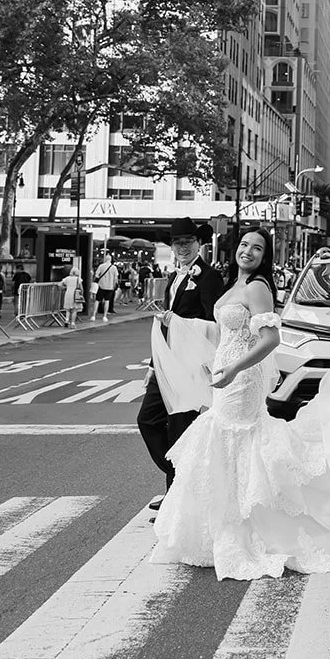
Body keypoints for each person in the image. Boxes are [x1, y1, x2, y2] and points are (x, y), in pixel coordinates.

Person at [152, 227, 330, 579]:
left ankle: (246, 525)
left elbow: (270, 339)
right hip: (225, 374)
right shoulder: (233, 285)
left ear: (265, 257)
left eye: (257, 248)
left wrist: (235, 368)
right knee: (228, 442)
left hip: (241, 379)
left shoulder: (257, 287)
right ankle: (226, 521)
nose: (248, 251)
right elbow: (224, 333)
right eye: (244, 245)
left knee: (236, 438)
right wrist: (181, 329)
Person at [137, 217, 225, 511]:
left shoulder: (209, 277)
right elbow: (166, 328)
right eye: (177, 243)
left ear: (199, 244)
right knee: (147, 420)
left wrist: (179, 322)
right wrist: (152, 366)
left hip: (192, 367)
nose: (182, 248)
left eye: (187, 242)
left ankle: (177, 497)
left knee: (179, 429)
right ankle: (182, 480)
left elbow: (216, 324)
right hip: (167, 366)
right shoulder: (174, 278)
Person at [90, 254, 119, 320]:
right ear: (111, 260)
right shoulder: (114, 267)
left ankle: (93, 315)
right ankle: (105, 316)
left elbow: (96, 275)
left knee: (97, 300)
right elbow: (115, 279)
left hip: (101, 286)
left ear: (105, 259)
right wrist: (114, 286)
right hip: (110, 287)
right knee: (107, 301)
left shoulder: (101, 266)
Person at [61, 261, 84, 328]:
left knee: (68, 309)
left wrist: (64, 287)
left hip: (68, 294)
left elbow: (60, 284)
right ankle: (73, 323)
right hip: (75, 295)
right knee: (74, 309)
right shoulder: (78, 279)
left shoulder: (67, 278)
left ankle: (66, 320)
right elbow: (81, 288)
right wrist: (82, 294)